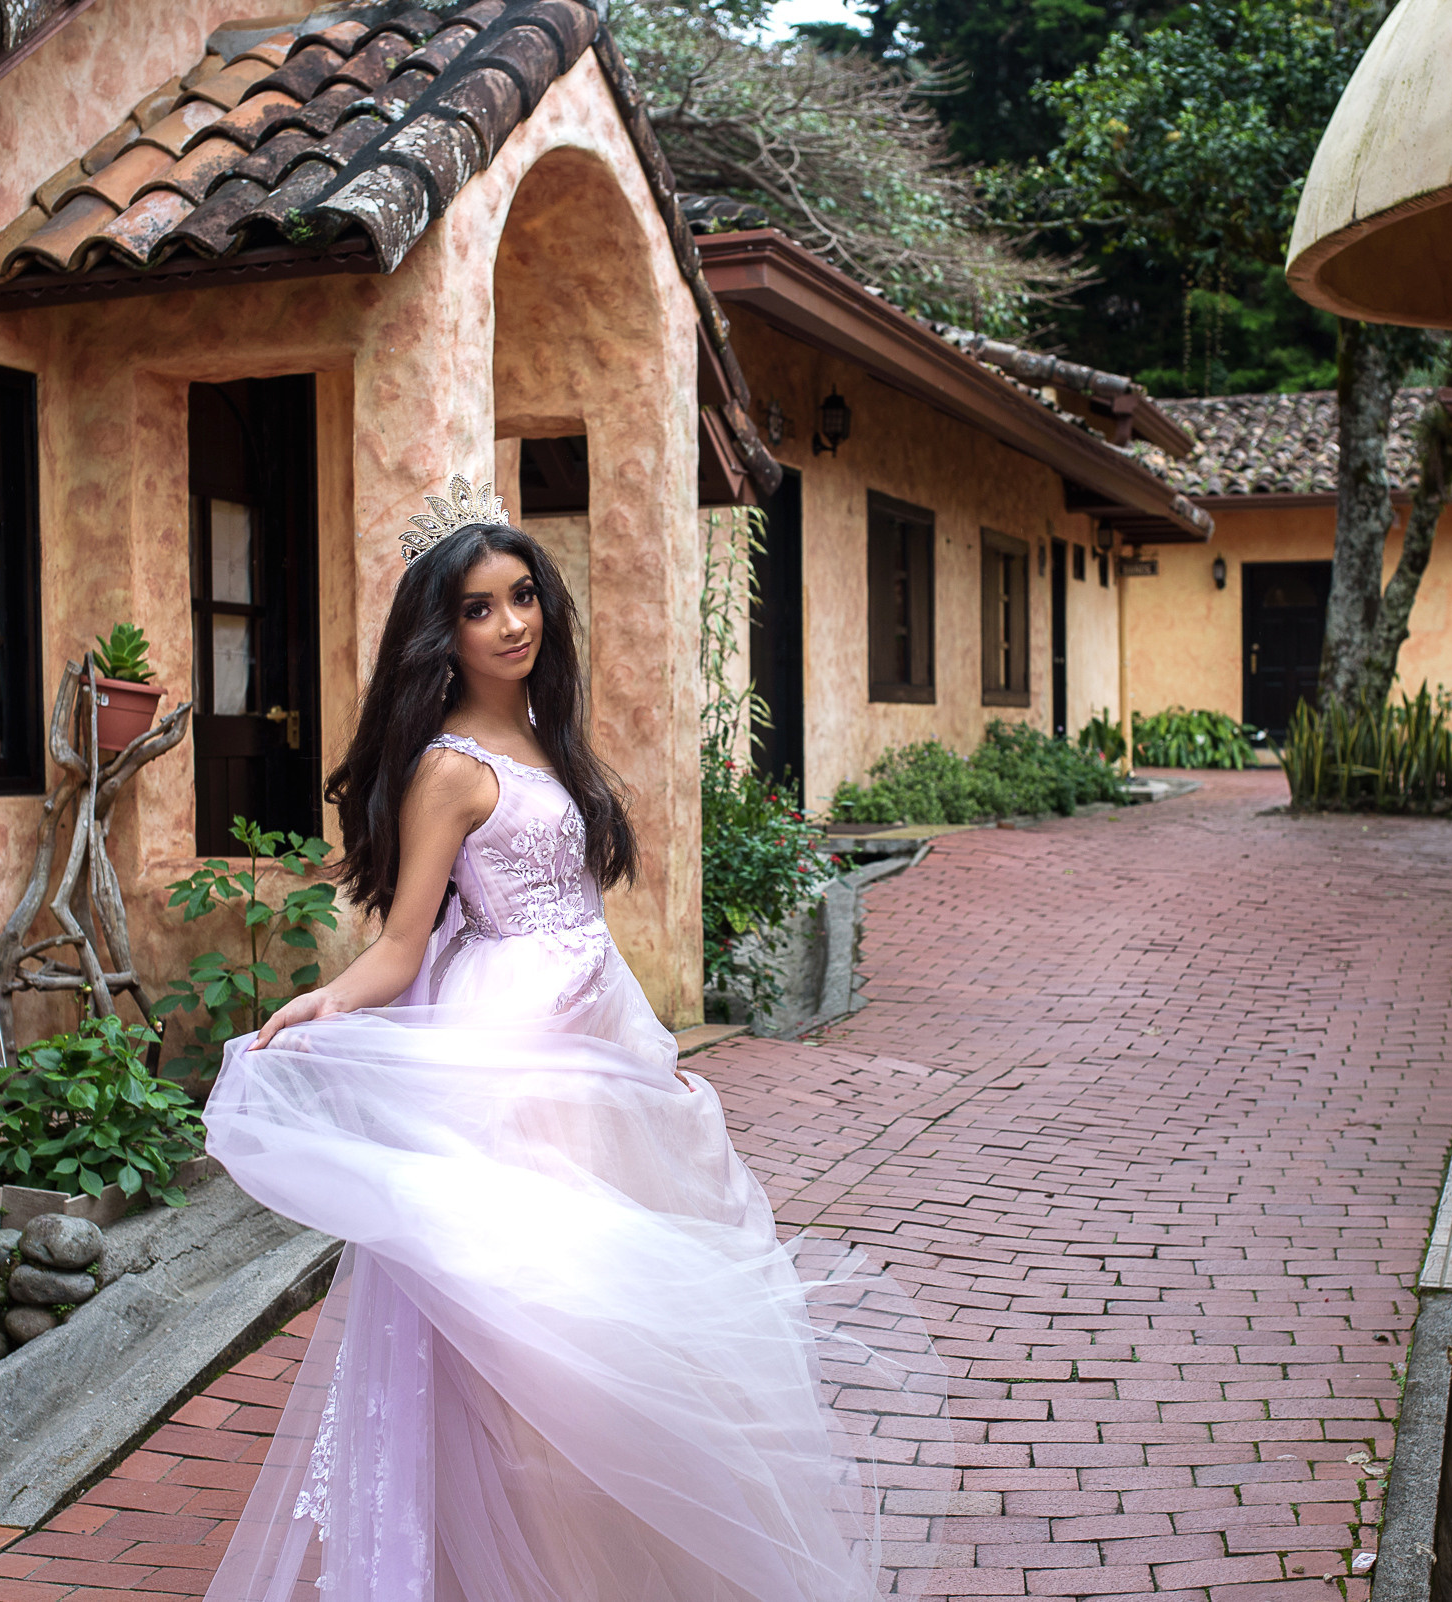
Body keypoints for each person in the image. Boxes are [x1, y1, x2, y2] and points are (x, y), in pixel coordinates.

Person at [200, 478, 936, 1602]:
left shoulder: (542, 732)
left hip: (593, 1034)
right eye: (483, 608)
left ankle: (597, 1556)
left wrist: (637, 1040)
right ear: (442, 634)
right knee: (541, 1330)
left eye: (524, 596)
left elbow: (576, 913)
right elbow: (403, 943)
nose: (515, 622)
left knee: (618, 1311)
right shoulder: (451, 767)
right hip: (510, 1051)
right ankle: (522, 1565)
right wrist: (323, 1008)